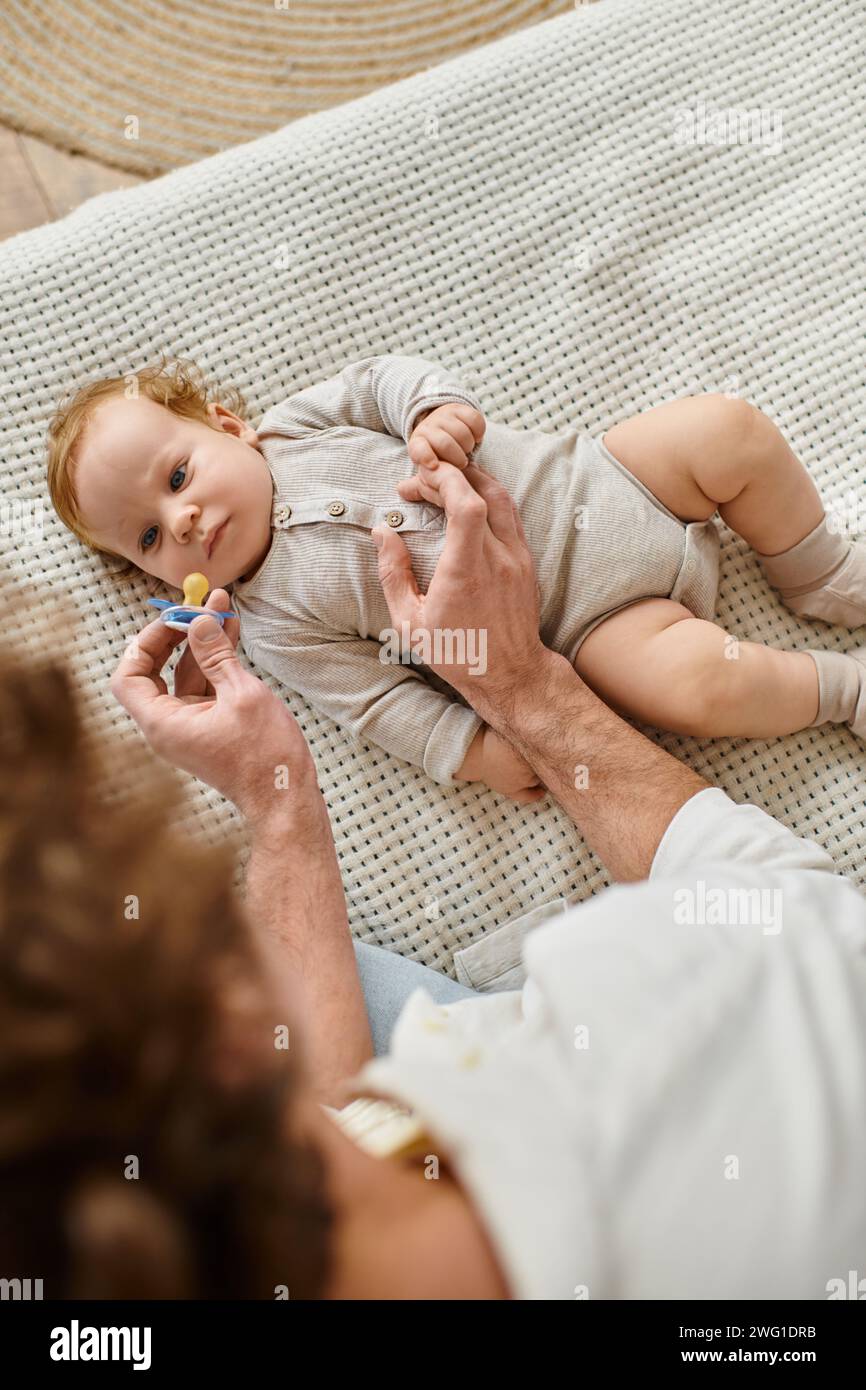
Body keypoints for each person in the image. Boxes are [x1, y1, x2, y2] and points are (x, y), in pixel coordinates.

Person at [3, 461, 866, 1299]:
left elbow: (331, 1133)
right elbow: (762, 897)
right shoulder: (748, 1005)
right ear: (235, 1034)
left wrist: (279, 808)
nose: (184, 522)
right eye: (150, 533)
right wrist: (517, 686)